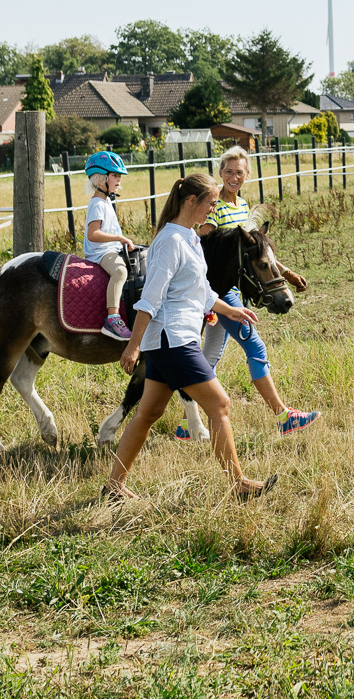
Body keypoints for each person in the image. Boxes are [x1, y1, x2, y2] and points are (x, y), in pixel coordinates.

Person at [106, 171, 275, 501]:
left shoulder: (191, 238)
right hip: (173, 340)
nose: (214, 208)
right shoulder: (169, 242)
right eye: (211, 202)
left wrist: (232, 310)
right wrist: (134, 345)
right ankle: (238, 483)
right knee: (221, 404)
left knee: (148, 414)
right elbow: (151, 297)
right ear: (190, 201)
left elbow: (201, 290)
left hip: (173, 338)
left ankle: (114, 486)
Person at [177, 144, 319, 440]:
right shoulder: (214, 207)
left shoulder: (243, 207)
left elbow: (256, 254)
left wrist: (288, 274)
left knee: (209, 358)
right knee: (256, 348)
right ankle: (283, 416)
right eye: (228, 171)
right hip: (220, 292)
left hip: (235, 290)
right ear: (220, 173)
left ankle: (189, 427)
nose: (233, 177)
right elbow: (199, 247)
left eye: (238, 172)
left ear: (247, 175)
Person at [83, 150, 136, 342]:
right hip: (100, 253)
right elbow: (93, 234)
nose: (119, 179)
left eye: (119, 176)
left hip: (109, 249)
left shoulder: (105, 202)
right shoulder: (97, 203)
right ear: (100, 180)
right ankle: (112, 319)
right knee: (120, 272)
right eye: (115, 175)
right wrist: (119, 238)